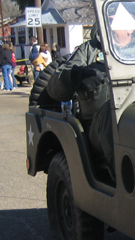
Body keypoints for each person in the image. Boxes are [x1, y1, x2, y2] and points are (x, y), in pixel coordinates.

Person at [46, 26, 114, 180]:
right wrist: (75, 76)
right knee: (111, 115)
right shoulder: (88, 50)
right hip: (96, 126)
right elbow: (54, 88)